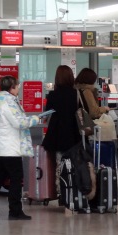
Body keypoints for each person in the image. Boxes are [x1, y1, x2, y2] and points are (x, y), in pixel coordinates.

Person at [0, 76, 39, 220]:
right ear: (12, 87)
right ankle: (15, 211)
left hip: (1, 146)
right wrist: (35, 119)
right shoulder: (8, 102)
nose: (19, 88)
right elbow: (19, 123)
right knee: (16, 178)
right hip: (10, 147)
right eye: (17, 86)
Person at [42, 65, 82, 196]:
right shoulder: (76, 94)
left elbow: (46, 116)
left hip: (57, 134)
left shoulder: (53, 95)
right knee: (74, 162)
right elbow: (80, 112)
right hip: (73, 133)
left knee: (59, 163)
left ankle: (61, 192)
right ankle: (73, 190)